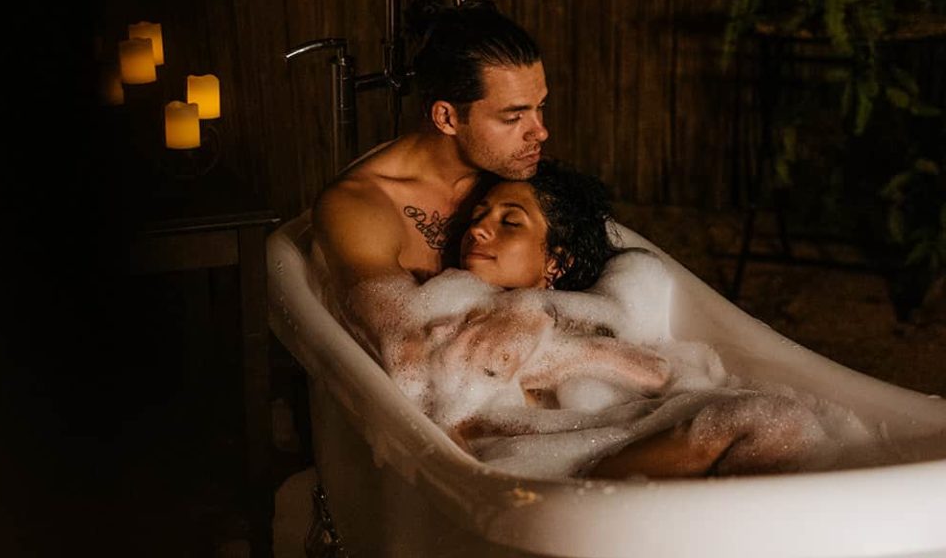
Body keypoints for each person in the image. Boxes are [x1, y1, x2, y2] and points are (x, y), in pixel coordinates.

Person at [352, 161, 873, 479]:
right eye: (479, 217)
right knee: (767, 423)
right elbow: (450, 424)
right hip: (548, 479)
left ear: (555, 262)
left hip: (599, 452)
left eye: (510, 222)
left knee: (784, 424)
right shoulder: (448, 315)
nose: (480, 230)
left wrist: (571, 352)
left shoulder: (584, 319)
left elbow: (662, 378)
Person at [312, 0, 549, 294]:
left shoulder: (512, 177)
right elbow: (397, 337)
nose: (540, 132)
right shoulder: (359, 207)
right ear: (446, 117)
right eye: (513, 117)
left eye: (540, 106)